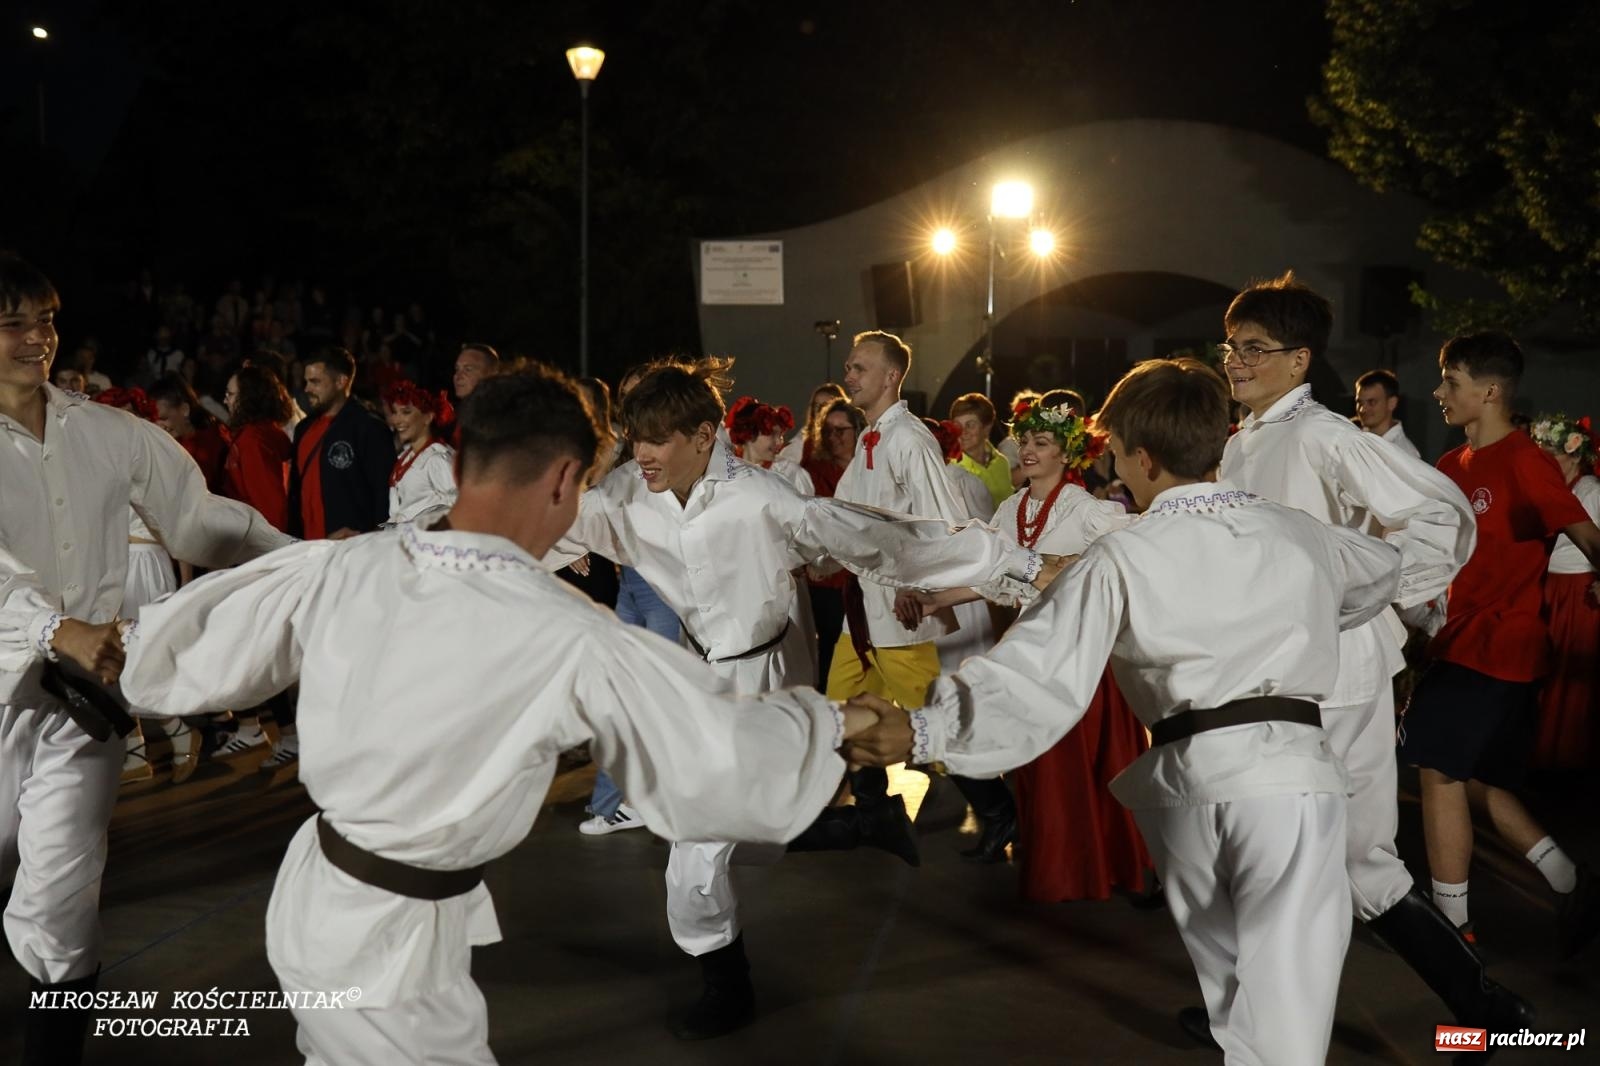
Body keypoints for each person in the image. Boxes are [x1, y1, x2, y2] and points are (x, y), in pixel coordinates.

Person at [120, 366, 880, 1066]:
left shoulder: (341, 566)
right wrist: (840, 729)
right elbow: (706, 750)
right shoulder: (565, 634)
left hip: (316, 899)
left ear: (457, 465)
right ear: (564, 481)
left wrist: (68, 637)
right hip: (390, 953)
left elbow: (162, 654)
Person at [847, 357, 1404, 1066]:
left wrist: (922, 727)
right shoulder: (1299, 533)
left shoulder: (1119, 553)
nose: (1112, 461)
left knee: (1235, 1000)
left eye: (1113, 450)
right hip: (1286, 780)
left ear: (1142, 458)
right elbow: (1381, 573)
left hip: (1185, 787)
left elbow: (1037, 672)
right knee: (1285, 1017)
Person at [546, 357, 1051, 1040]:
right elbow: (534, 530)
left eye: (658, 439)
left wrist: (1010, 566)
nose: (643, 454)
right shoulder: (623, 496)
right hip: (702, 678)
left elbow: (884, 541)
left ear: (703, 435)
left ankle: (734, 971)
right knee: (714, 838)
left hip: (773, 669)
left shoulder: (763, 498)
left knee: (716, 842)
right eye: (635, 438)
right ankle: (834, 848)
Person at [1213, 272, 1530, 1041]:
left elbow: (1436, 513)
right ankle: (1255, 1012)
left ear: (1300, 360)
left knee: (1357, 858)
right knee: (1270, 840)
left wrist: (1367, 592)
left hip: (1342, 674)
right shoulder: (1244, 439)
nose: (1236, 361)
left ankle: (1485, 1008)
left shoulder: (1324, 434)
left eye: (1256, 348)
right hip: (1280, 672)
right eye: (1231, 346)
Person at [0, 254, 288, 1064]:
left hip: (79, 706)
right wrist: (54, 628)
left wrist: (302, 561)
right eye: (15, 323)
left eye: (47, 320)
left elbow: (199, 521)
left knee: (61, 905)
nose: (38, 339)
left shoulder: (109, 431)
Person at [1400, 333, 1600, 959]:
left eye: (1450, 381)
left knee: (1437, 768)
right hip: (1456, 642)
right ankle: (1572, 881)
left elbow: (1588, 537)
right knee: (1476, 779)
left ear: (1488, 391)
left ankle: (1452, 927)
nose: (1438, 392)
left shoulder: (1525, 460)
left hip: (1500, 645)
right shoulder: (1449, 466)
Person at [824, 330, 1028, 859]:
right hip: (861, 614)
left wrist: (919, 585)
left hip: (899, 614)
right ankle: (875, 811)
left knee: (928, 722)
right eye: (848, 366)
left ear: (891, 376)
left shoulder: (909, 439)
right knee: (842, 710)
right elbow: (846, 518)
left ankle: (998, 809)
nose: (849, 375)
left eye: (859, 367)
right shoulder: (871, 440)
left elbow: (944, 521)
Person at [1527, 412, 1599, 769]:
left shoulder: (1591, 491)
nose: (1546, 460)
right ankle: (1537, 751)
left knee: (1569, 676)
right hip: (1548, 585)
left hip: (1576, 589)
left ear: (1573, 454)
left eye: (1552, 453)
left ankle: (1563, 758)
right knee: (1543, 669)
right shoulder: (1549, 489)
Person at [288, 346, 393, 542]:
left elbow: (384, 496)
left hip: (351, 552)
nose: (307, 389)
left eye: (315, 382)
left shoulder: (369, 428)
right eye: (306, 381)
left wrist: (370, 538)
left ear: (341, 382)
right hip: (306, 551)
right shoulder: (303, 429)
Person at [802, 398, 865, 687]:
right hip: (825, 579)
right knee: (829, 649)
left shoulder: (869, 470)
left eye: (842, 430)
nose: (834, 437)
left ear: (858, 430)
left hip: (862, 574)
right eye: (828, 430)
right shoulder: (812, 471)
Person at [223, 365, 294, 532]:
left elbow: (270, 505)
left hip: (259, 541)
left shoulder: (253, 440)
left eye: (231, 394)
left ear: (249, 397)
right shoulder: (264, 432)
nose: (225, 400)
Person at [381, 379, 457, 525]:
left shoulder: (436, 459)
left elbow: (457, 508)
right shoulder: (405, 456)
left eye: (406, 412)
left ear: (428, 417)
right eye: (395, 412)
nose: (397, 420)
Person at [148, 374, 232, 494]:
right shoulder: (164, 444)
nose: (158, 425)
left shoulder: (212, 442)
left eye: (164, 418)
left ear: (184, 410)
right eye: (152, 419)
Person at [725, 395, 813, 493]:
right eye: (772, 434)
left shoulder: (791, 474)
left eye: (780, 435)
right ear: (749, 433)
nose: (779, 442)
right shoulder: (726, 468)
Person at [950, 392, 1014, 509]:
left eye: (970, 425)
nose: (963, 432)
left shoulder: (1001, 462)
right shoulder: (952, 467)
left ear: (987, 428)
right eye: (957, 425)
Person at [1355, 368, 1422, 457]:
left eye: (1372, 402)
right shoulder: (1354, 439)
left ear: (1392, 403)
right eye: (1359, 402)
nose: (1362, 409)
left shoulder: (1405, 453)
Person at [777, 382, 846, 465]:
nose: (819, 410)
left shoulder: (850, 439)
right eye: (816, 406)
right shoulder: (800, 443)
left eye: (825, 406)